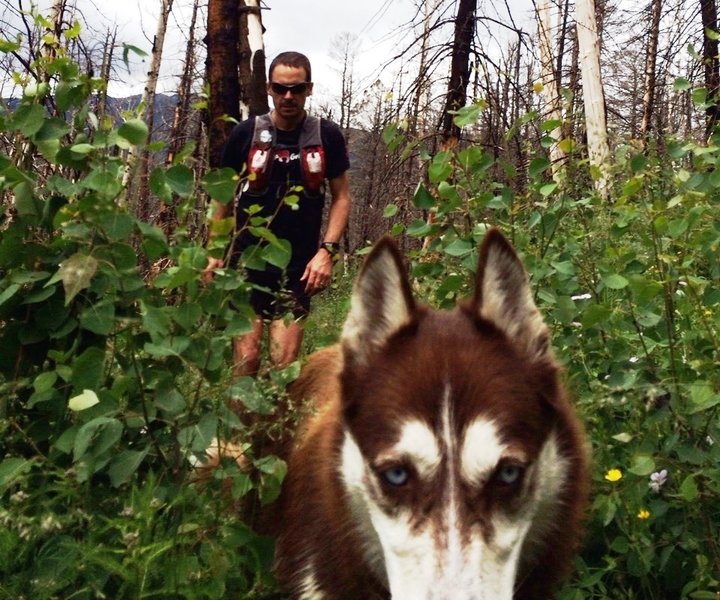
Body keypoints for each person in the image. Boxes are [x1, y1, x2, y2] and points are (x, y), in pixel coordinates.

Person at [204, 51, 351, 379]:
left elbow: (342, 197)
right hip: (247, 262)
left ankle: (275, 432)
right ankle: (237, 432)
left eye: (296, 89)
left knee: (284, 366)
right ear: (269, 88)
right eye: (280, 88)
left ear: (308, 89)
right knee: (247, 359)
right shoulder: (246, 134)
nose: (288, 96)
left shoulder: (326, 136)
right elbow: (223, 197)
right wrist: (215, 252)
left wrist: (326, 251)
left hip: (297, 269)